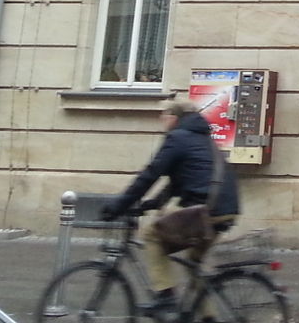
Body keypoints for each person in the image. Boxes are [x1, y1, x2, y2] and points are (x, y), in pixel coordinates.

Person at [101, 99, 240, 316]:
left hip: (207, 211)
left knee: (152, 236)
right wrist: (151, 204)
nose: (161, 119)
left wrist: (119, 205)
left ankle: (165, 296)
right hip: (225, 209)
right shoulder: (203, 139)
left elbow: (150, 175)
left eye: (164, 115)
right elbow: (179, 181)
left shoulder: (178, 138)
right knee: (194, 263)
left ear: (174, 118)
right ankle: (208, 317)